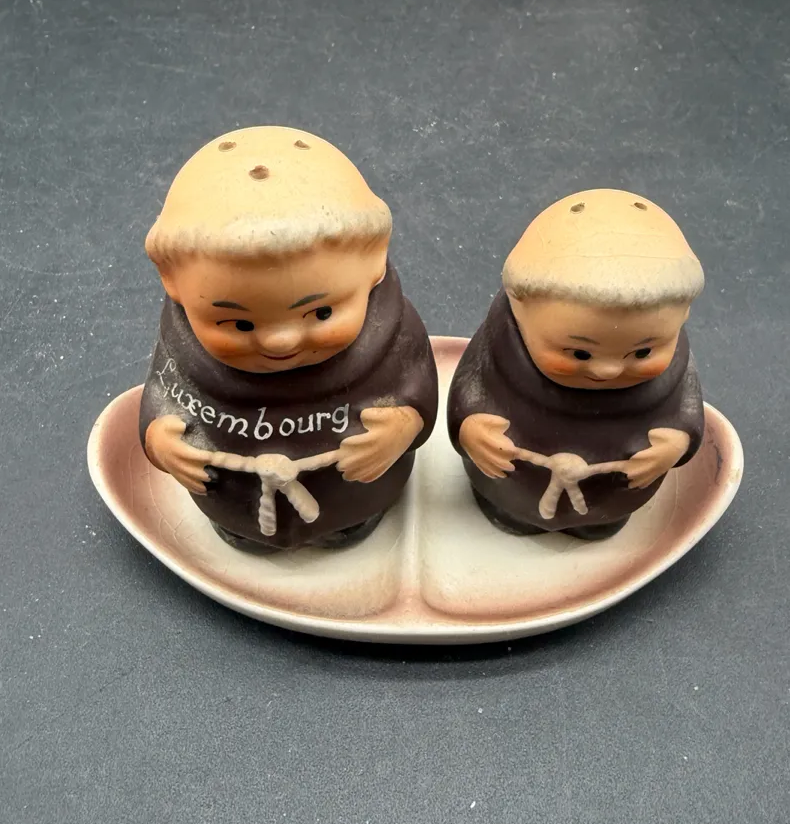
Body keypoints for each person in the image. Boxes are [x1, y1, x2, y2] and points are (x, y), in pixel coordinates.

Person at [140, 126, 438, 552]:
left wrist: (403, 426)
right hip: (235, 504)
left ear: (374, 259)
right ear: (171, 281)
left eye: (321, 313)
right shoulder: (183, 351)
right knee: (244, 535)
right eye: (240, 324)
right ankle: (242, 530)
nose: (279, 342)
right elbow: (162, 393)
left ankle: (351, 524)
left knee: (352, 524)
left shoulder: (392, 334)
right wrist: (160, 442)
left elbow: (417, 387)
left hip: (355, 493)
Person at [448, 189, 705, 540]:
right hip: (513, 483)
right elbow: (471, 385)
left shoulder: (675, 369)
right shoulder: (497, 348)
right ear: (519, 308)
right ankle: (509, 514)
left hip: (611, 495)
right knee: (509, 512)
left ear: (682, 316)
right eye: (580, 353)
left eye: (642, 352)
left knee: (601, 523)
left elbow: (686, 410)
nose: (607, 371)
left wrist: (675, 444)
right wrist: (470, 427)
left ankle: (599, 523)